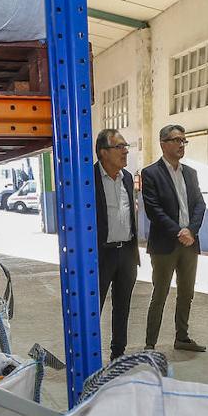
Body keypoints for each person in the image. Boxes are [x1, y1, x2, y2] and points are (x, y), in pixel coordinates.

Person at [140, 125, 208, 353]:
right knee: (160, 293)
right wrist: (179, 231)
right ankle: (150, 344)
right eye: (176, 140)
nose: (181, 144)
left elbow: (200, 204)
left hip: (189, 243)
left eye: (184, 141)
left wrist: (192, 230)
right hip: (165, 245)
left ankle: (182, 337)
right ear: (163, 143)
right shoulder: (150, 173)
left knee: (186, 292)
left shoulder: (191, 173)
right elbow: (153, 210)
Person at [92, 128, 140, 361]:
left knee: (122, 308)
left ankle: (117, 355)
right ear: (103, 153)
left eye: (125, 146)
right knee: (95, 307)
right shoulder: (87, 179)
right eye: (119, 147)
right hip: (101, 255)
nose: (125, 151)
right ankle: (91, 355)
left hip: (127, 253)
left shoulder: (128, 178)